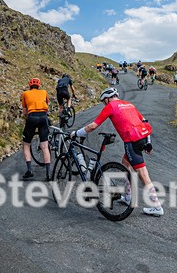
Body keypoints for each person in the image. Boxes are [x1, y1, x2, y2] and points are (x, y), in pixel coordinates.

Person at [71, 87, 164, 217]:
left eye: (104, 101)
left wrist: (76, 133)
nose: (105, 104)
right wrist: (148, 143)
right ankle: (127, 196)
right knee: (125, 164)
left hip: (131, 141)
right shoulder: (129, 104)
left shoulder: (111, 106)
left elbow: (92, 126)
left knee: (143, 174)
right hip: (142, 138)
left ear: (108, 98)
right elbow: (145, 122)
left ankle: (156, 206)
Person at [20, 78, 51, 179]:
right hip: (43, 117)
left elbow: (25, 112)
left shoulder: (25, 94)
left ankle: (29, 170)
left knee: (26, 144)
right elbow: (47, 105)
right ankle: (48, 174)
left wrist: (28, 119)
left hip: (32, 116)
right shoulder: (44, 92)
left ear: (30, 85)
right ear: (39, 86)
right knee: (45, 146)